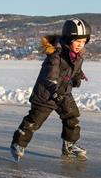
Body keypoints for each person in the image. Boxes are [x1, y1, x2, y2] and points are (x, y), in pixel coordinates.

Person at [10, 18, 91, 161]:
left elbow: (75, 68)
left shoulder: (78, 56)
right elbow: (50, 75)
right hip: (46, 94)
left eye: (83, 41)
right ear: (68, 39)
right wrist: (54, 89)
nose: (80, 45)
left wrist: (78, 76)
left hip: (63, 92)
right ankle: (18, 143)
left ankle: (69, 145)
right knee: (34, 121)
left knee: (72, 117)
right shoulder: (56, 55)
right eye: (77, 41)